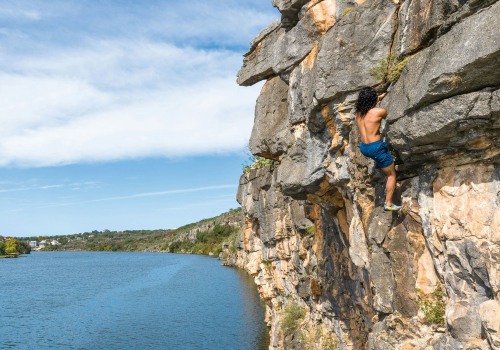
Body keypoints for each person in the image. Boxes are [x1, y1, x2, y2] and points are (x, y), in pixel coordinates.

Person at [355, 86, 401, 211]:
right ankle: (388, 204)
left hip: (364, 147)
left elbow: (369, 113)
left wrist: (376, 99)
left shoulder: (358, 114)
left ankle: (381, 164)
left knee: (383, 161)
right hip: (376, 148)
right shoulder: (379, 111)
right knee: (391, 175)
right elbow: (387, 114)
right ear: (373, 99)